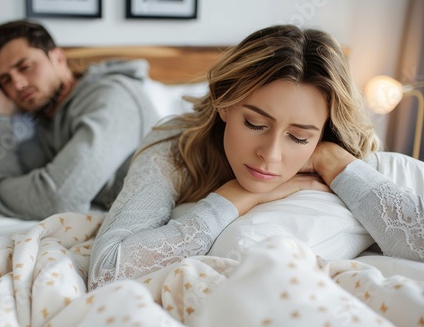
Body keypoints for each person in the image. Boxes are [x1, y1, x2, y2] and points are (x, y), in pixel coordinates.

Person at [87, 24, 424, 290]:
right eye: (255, 123)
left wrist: (333, 161)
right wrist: (235, 195)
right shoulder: (175, 143)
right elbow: (107, 272)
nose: (270, 155)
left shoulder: (342, 156)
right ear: (223, 101)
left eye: (299, 136)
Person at [0, 20, 160, 220]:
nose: (18, 84)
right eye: (6, 80)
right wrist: (0, 115)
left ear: (58, 58)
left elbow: (58, 200)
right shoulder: (40, 123)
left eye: (25, 66)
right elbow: (3, 183)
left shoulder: (112, 97)